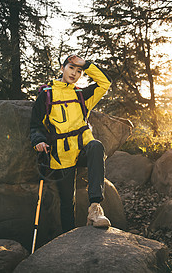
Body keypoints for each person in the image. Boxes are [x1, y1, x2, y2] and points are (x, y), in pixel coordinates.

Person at [30, 54, 112, 232]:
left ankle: (95, 208)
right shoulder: (46, 95)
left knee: (96, 146)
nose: (74, 73)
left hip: (82, 149)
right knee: (67, 202)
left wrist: (86, 64)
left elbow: (105, 83)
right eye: (71, 68)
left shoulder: (82, 95)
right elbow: (36, 125)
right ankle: (69, 236)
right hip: (61, 156)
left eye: (79, 70)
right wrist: (39, 140)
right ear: (62, 69)